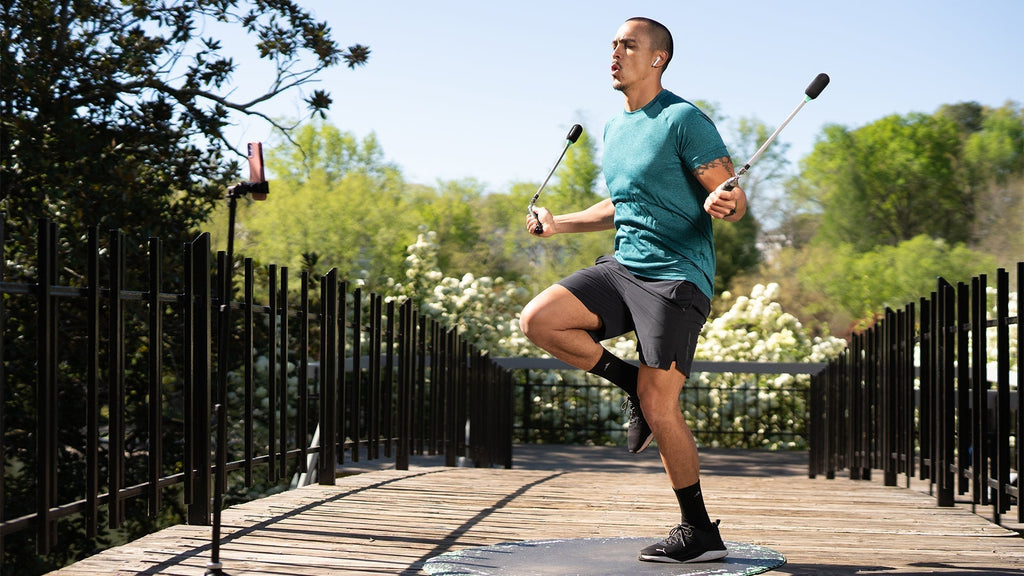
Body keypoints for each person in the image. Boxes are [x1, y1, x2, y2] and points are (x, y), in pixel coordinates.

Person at [519, 16, 746, 564]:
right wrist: (561, 224)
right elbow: (624, 204)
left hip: (675, 279)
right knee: (538, 320)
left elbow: (732, 199)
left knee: (660, 404)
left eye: (628, 45)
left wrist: (726, 204)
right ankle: (629, 385)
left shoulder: (684, 119)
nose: (615, 54)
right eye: (613, 45)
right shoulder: (614, 128)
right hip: (625, 268)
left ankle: (699, 530)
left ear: (657, 59)